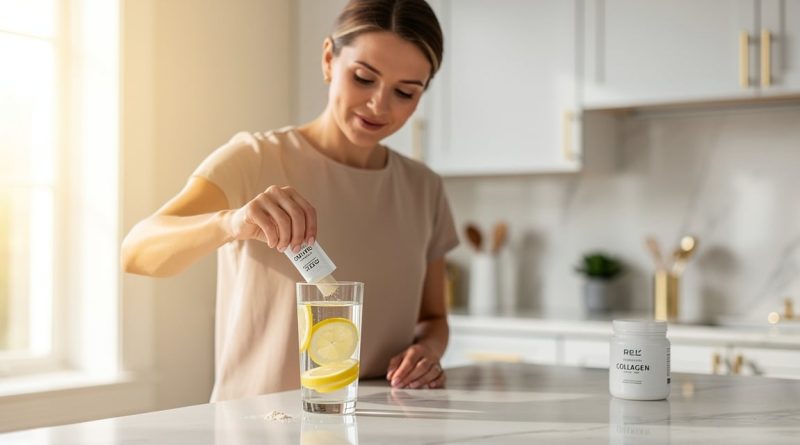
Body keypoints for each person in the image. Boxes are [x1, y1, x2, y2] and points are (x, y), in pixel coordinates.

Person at [121, 0, 458, 402]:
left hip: (370, 424)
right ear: (330, 59)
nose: (379, 105)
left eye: (405, 92)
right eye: (364, 78)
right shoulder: (255, 159)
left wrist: (426, 352)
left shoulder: (424, 189)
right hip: (253, 426)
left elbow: (433, 319)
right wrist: (231, 223)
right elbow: (137, 252)